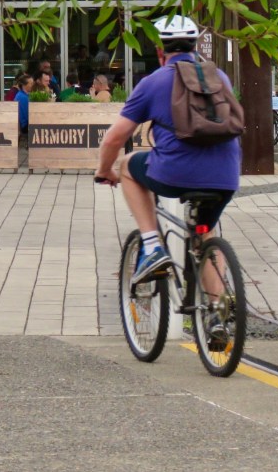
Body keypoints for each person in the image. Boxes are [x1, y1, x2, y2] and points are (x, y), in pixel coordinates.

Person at [95, 16, 241, 286]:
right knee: (206, 232)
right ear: (195, 47)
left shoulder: (154, 82)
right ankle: (216, 316)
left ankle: (152, 246)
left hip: (174, 175)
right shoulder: (219, 77)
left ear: (160, 52)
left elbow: (114, 140)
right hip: (227, 176)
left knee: (127, 165)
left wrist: (104, 170)